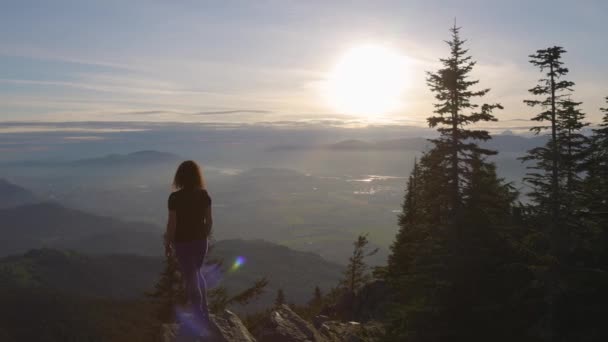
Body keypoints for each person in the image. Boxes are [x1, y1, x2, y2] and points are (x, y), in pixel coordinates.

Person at [165, 160, 213, 335]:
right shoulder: (204, 195)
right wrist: (204, 236)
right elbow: (209, 221)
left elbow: (172, 224)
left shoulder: (174, 198)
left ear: (180, 177)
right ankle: (204, 311)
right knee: (197, 273)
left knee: (191, 277)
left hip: (182, 244)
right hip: (201, 242)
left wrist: (167, 243)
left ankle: (199, 315)